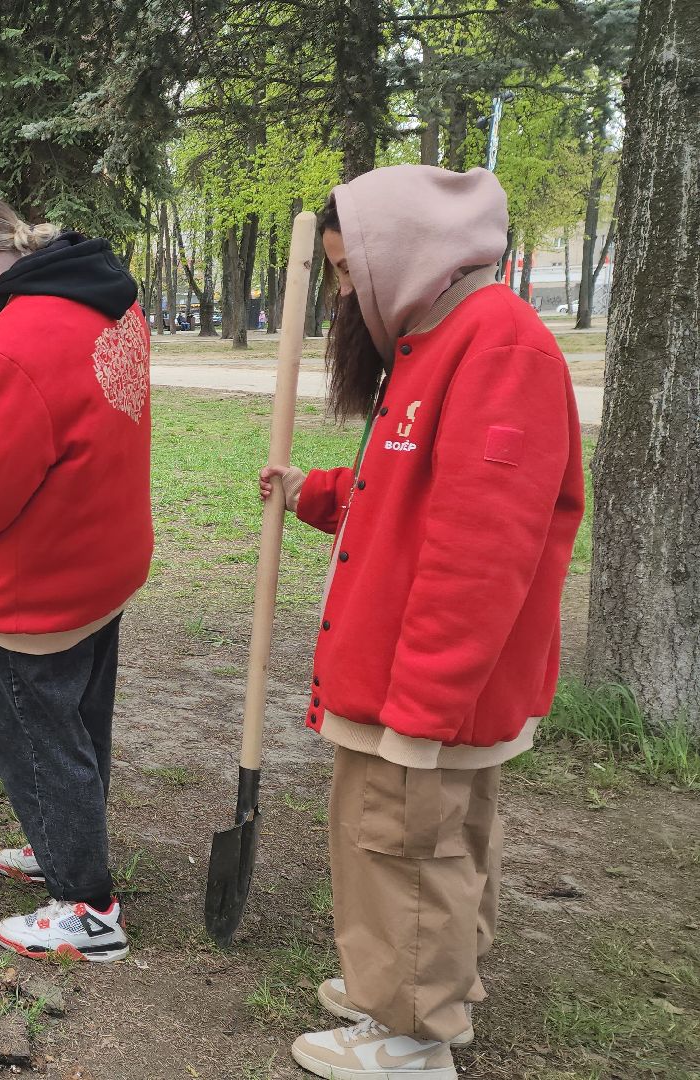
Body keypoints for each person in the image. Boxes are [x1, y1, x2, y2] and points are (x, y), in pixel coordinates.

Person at [260, 167, 582, 1080]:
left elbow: (485, 549)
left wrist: (424, 705)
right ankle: (422, 984)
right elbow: (404, 488)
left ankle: (410, 1032)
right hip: (401, 668)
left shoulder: (499, 349)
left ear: (399, 255)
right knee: (427, 838)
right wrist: (315, 493)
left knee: (401, 841)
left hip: (424, 681)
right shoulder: (437, 340)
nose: (341, 296)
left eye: (346, 272)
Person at [0, 190, 152, 964]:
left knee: (37, 738)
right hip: (103, 560)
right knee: (81, 723)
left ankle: (86, 906)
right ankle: (62, 840)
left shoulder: (15, 343)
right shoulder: (108, 300)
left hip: (42, 583)